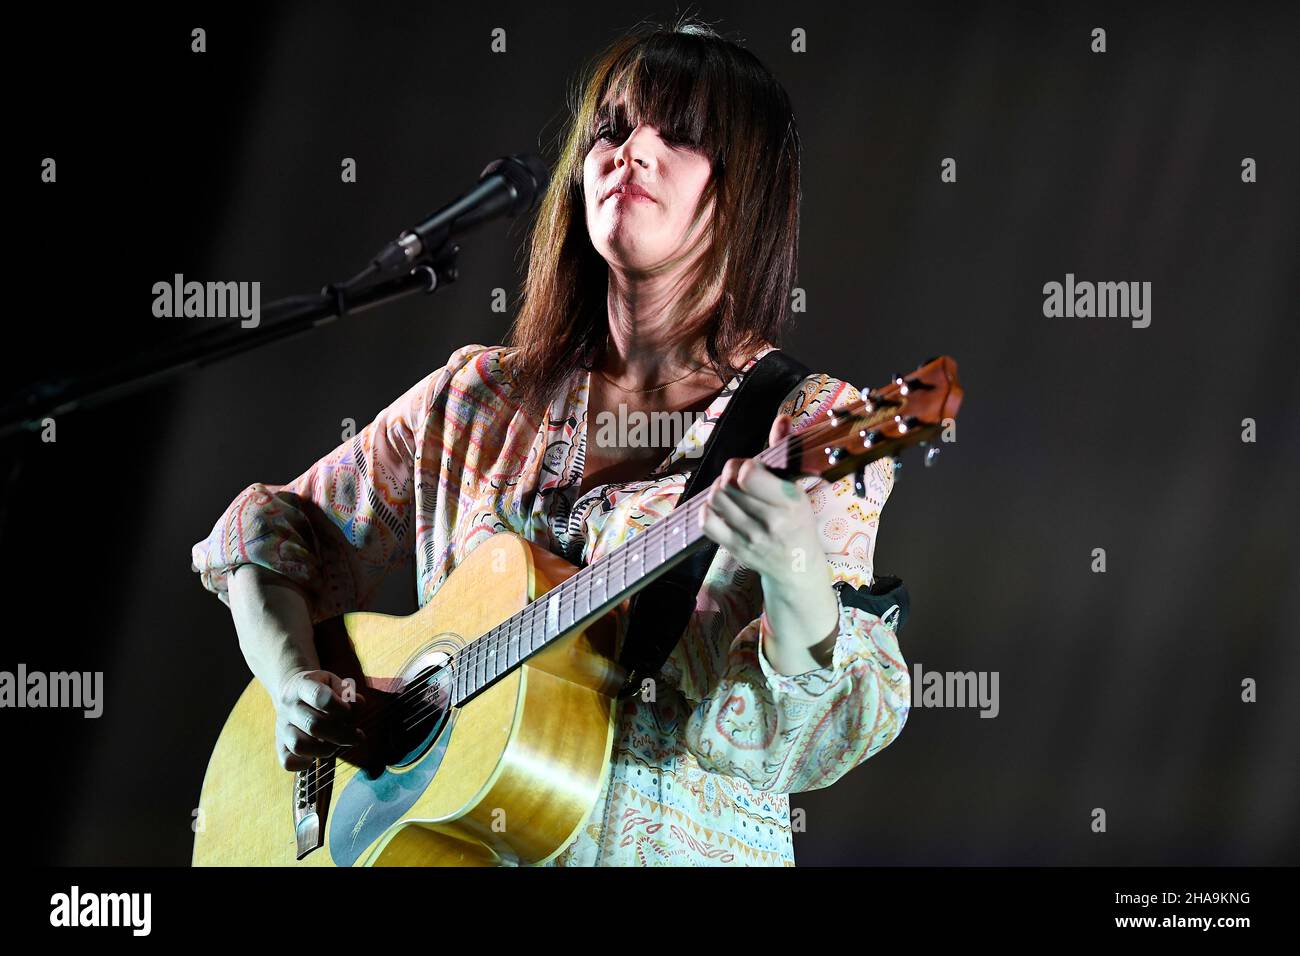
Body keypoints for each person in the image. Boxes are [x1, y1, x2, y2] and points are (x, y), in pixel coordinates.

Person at [191, 19, 910, 866]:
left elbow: (811, 742)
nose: (629, 152)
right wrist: (291, 683)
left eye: (676, 134)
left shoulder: (810, 420)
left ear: (744, 191)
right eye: (611, 129)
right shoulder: (478, 398)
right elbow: (268, 537)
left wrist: (794, 573)